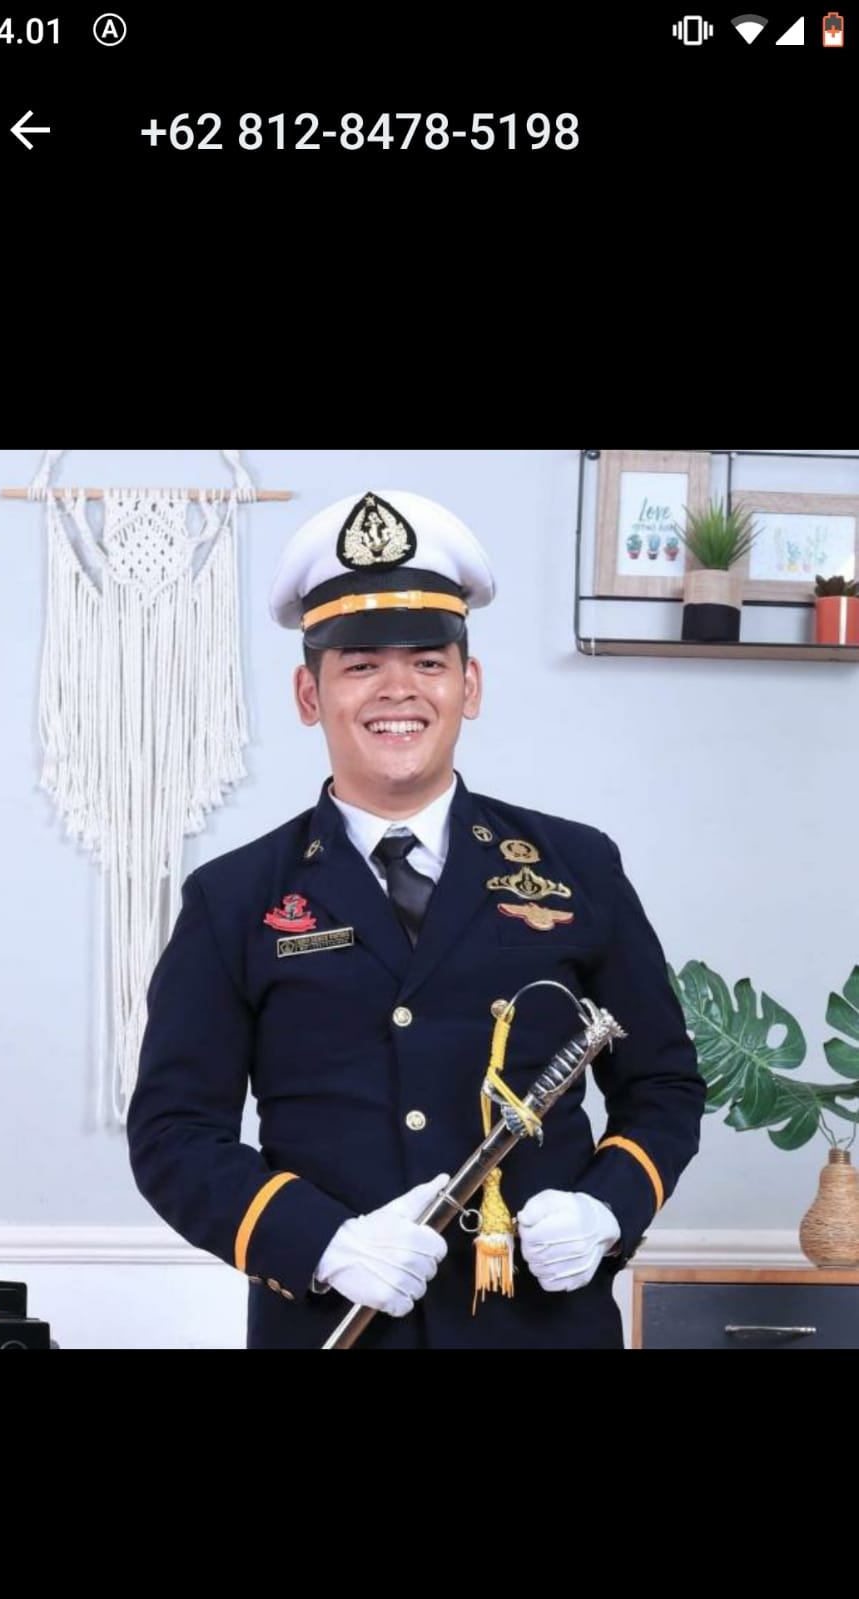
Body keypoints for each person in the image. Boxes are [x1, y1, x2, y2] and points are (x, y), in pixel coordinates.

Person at [127, 487, 706, 1349]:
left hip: (540, 1327)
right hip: (338, 1323)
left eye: (429, 663)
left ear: (469, 685)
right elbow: (172, 1131)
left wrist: (607, 1208)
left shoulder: (577, 865)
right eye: (360, 664)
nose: (397, 690)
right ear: (308, 692)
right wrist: (322, 1243)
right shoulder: (234, 897)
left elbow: (662, 1083)